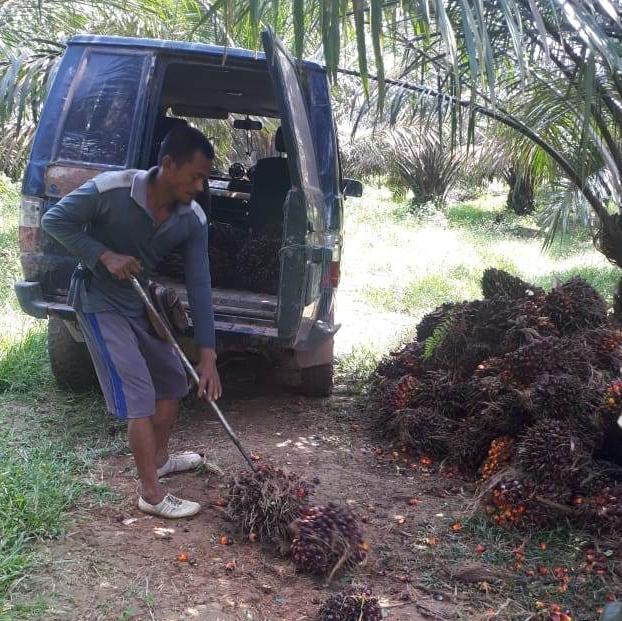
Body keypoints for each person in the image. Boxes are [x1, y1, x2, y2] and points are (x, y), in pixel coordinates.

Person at [42, 125, 222, 519]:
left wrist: (207, 355)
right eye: (195, 175)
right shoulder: (111, 190)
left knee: (173, 380)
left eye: (205, 177)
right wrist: (104, 255)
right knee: (137, 392)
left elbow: (200, 283)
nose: (200, 185)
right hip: (99, 300)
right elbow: (54, 221)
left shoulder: (192, 218)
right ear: (168, 164)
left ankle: (159, 461)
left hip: (140, 302)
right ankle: (152, 495)